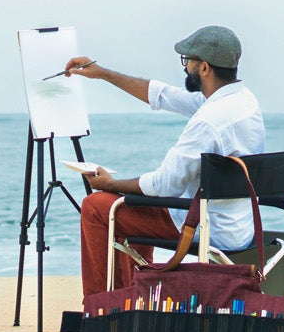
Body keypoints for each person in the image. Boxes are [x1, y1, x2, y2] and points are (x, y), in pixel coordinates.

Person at [63, 25, 266, 304]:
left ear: (204, 68)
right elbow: (162, 95)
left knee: (97, 206)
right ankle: (132, 301)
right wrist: (103, 73)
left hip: (208, 227)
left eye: (188, 62)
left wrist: (108, 183)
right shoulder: (243, 102)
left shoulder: (207, 122)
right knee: (133, 202)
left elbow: (163, 185)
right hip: (239, 225)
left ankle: (100, 309)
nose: (185, 68)